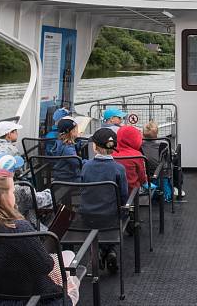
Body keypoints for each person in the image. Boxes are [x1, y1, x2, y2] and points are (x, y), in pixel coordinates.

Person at [0, 168, 79, 306]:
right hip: (35, 299)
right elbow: (45, 266)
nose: (14, 195)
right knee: (69, 259)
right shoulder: (18, 228)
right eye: (12, 192)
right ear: (3, 197)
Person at [80, 128, 128, 274]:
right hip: (110, 216)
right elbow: (124, 194)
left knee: (98, 222)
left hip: (87, 215)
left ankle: (100, 250)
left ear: (94, 147)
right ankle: (110, 250)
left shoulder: (86, 166)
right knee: (118, 216)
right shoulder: (119, 169)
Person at [0, 153, 53, 224]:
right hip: (25, 227)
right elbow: (46, 200)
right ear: (11, 173)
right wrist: (49, 192)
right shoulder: (20, 191)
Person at [51, 117, 86, 183]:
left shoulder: (60, 142)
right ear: (71, 132)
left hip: (60, 176)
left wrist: (78, 142)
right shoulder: (67, 149)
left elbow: (72, 147)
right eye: (76, 130)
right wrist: (91, 162)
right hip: (69, 178)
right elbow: (78, 163)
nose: (78, 131)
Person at [114, 125, 148, 191]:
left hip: (114, 193)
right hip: (132, 192)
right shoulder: (137, 155)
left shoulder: (112, 153)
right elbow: (142, 178)